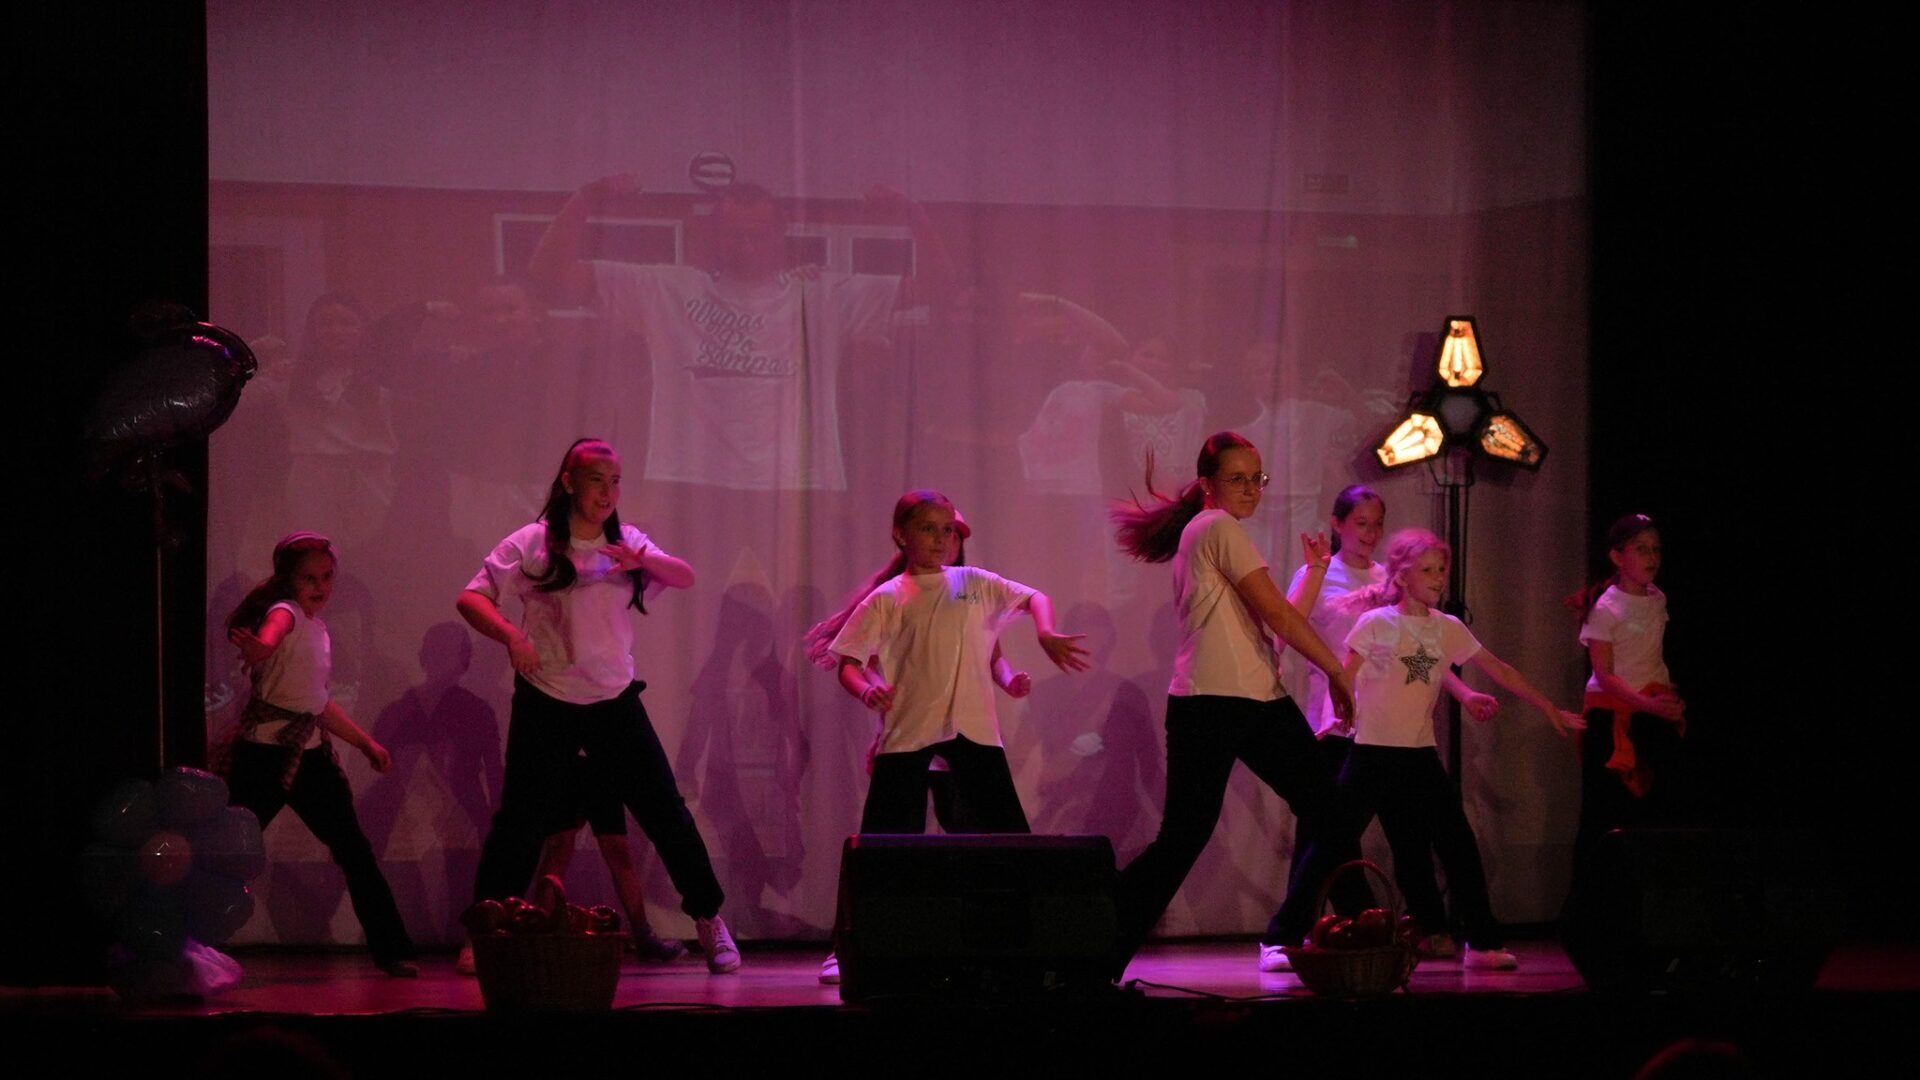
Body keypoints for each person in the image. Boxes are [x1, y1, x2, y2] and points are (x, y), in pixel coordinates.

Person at [456, 438, 740, 974]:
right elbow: (471, 598)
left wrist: (642, 559)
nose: (607, 492)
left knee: (665, 812)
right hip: (547, 698)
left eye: (615, 481)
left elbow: (684, 575)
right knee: (520, 820)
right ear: (569, 482)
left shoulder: (626, 542)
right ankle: (485, 930)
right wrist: (512, 637)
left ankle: (708, 918)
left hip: (612, 700)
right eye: (596, 480)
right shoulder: (533, 542)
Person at [1106, 432, 1356, 977]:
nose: (1250, 489)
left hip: (1248, 699)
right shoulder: (1216, 527)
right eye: (1237, 478)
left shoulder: (1211, 531)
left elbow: (1277, 623)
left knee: (1327, 813)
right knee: (1189, 837)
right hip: (1219, 704)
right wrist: (1335, 670)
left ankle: (1361, 934)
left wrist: (1315, 572)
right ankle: (1097, 936)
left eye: (1256, 478)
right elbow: (1279, 617)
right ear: (1207, 485)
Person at [801, 501, 1041, 984]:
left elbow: (992, 654)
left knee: (992, 837)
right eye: (931, 530)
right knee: (887, 842)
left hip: (967, 735)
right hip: (912, 734)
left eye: (949, 532)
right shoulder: (893, 596)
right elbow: (856, 663)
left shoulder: (971, 590)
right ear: (903, 536)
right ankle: (852, 944)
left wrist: (1010, 679)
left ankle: (1007, 941)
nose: (943, 539)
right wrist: (870, 691)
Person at [1335, 528, 1584, 970]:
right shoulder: (1377, 623)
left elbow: (1497, 668)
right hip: (1372, 753)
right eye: (1428, 570)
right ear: (1402, 576)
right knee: (1334, 841)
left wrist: (1546, 705)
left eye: (1441, 570)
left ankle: (1482, 942)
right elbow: (1344, 673)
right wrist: (1340, 712)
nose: (1438, 579)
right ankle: (1282, 935)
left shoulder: (1446, 628)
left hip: (1418, 753)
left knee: (1457, 845)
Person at [1283, 485, 1497, 960]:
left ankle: (1429, 927)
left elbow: (1423, 655)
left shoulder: (1392, 577)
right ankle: (1303, 930)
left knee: (1408, 831)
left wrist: (1464, 694)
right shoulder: (1319, 574)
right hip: (1335, 722)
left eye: (1377, 523)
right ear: (1337, 524)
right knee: (1325, 831)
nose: (1370, 532)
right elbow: (1289, 627)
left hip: (1387, 724)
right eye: (1360, 522)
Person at [216, 531, 418, 977]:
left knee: (355, 851)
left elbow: (317, 704)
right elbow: (272, 631)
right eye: (309, 578)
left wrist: (367, 744)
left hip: (309, 759)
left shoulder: (319, 630)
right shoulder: (285, 612)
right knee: (230, 853)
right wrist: (262, 647)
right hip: (264, 757)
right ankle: (193, 940)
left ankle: (391, 949)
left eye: (327, 577)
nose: (320, 586)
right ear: (288, 580)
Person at [1572, 513, 1687, 860]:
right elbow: (1605, 674)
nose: (1652, 557)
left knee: (1658, 814)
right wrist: (1647, 704)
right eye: (1641, 549)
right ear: (1617, 556)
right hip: (1613, 717)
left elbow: (1650, 658)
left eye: (1656, 549)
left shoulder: (1657, 598)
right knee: (1606, 815)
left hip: (1651, 713)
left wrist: (1667, 699)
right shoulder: (1606, 608)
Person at [529, 755, 691, 964]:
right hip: (567, 762)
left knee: (616, 849)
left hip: (600, 765)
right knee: (559, 845)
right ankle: (537, 933)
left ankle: (644, 936)